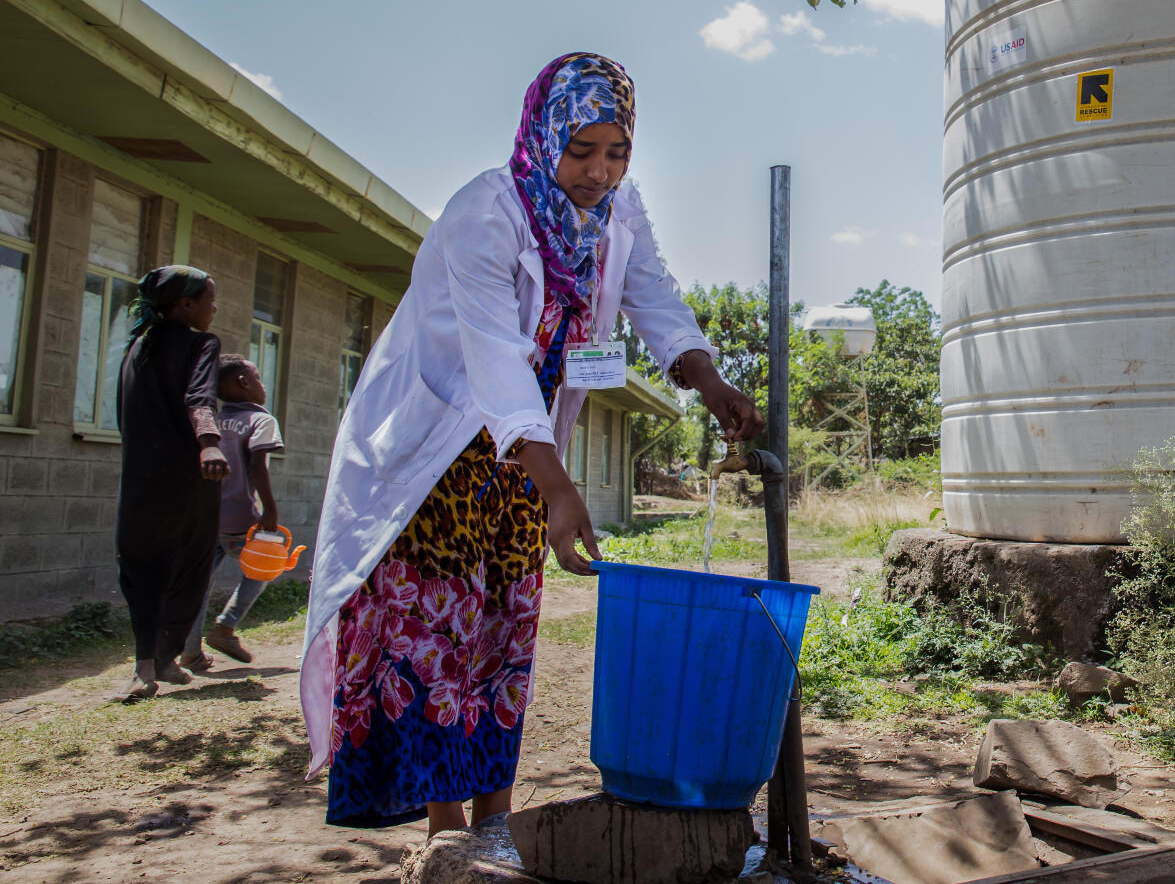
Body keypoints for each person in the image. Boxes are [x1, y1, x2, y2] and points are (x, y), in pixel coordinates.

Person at [300, 53, 762, 834]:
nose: (597, 171)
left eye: (616, 153)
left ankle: (497, 822)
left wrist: (708, 380)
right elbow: (494, 361)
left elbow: (654, 296)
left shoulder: (616, 213)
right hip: (440, 457)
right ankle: (450, 840)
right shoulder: (486, 213)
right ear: (545, 133)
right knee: (440, 639)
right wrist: (557, 485)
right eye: (581, 150)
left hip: (524, 458)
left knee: (504, 635)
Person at [115, 265, 230, 701]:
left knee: (140, 567)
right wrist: (209, 445)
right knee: (190, 565)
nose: (213, 308)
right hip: (192, 477)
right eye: (209, 299)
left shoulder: (136, 347)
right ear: (185, 304)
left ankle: (149, 666)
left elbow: (122, 414)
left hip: (140, 479)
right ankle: (166, 655)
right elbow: (199, 397)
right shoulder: (202, 343)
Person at [178, 355, 284, 671]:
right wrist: (270, 508)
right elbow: (256, 466)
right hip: (241, 518)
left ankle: (190, 651)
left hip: (206, 517)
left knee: (200, 584)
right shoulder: (262, 420)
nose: (263, 386)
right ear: (244, 382)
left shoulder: (211, 422)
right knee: (266, 566)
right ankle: (226, 627)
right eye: (259, 378)